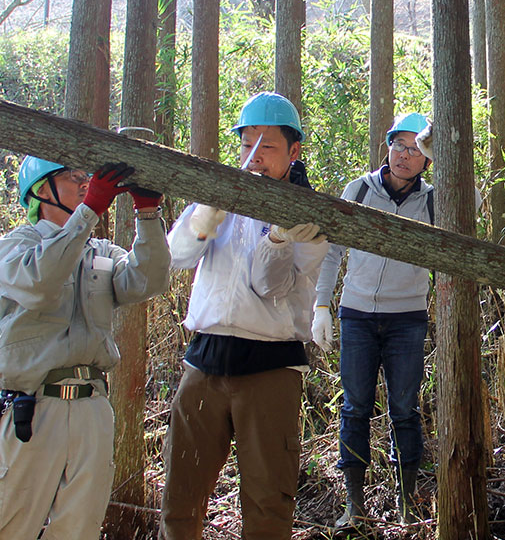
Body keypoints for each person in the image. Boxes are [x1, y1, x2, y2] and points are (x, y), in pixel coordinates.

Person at [159, 92, 328, 540]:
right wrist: (204, 217)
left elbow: (269, 286)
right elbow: (174, 256)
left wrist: (278, 235)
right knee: (181, 496)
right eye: (246, 143)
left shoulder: (309, 220)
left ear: (293, 152)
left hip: (269, 367)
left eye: (266, 146)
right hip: (204, 362)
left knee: (268, 502)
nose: (253, 156)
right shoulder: (220, 194)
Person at [0, 157, 170, 539]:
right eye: (71, 177)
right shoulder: (14, 247)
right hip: (31, 407)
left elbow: (147, 281)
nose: (83, 183)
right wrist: (90, 210)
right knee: (12, 520)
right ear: (42, 190)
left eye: (85, 177)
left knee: (80, 527)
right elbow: (40, 281)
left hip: (92, 406)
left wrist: (147, 214)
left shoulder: (100, 252)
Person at [312, 113, 436, 529]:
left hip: (407, 318)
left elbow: (470, 206)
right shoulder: (360, 190)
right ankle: (354, 505)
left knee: (404, 409)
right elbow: (332, 251)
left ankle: (406, 501)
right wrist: (322, 306)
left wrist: (442, 156)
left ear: (427, 159)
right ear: (387, 147)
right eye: (398, 145)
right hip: (358, 315)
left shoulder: (434, 200)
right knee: (355, 407)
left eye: (415, 148)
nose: (404, 155)